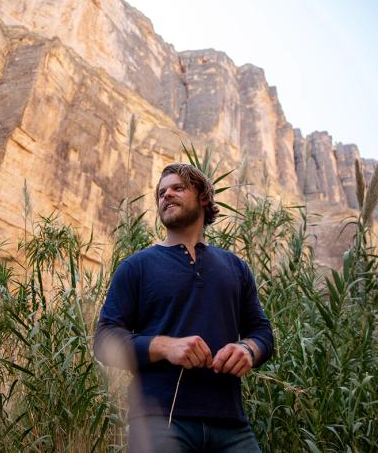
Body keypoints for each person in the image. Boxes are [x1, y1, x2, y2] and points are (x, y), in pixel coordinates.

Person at [94, 163, 274, 452]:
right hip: (158, 421)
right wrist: (165, 346)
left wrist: (248, 350)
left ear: (203, 197)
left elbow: (262, 332)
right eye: (161, 192)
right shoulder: (136, 267)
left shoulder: (236, 267)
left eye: (178, 188)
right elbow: (104, 340)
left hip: (231, 424)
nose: (166, 195)